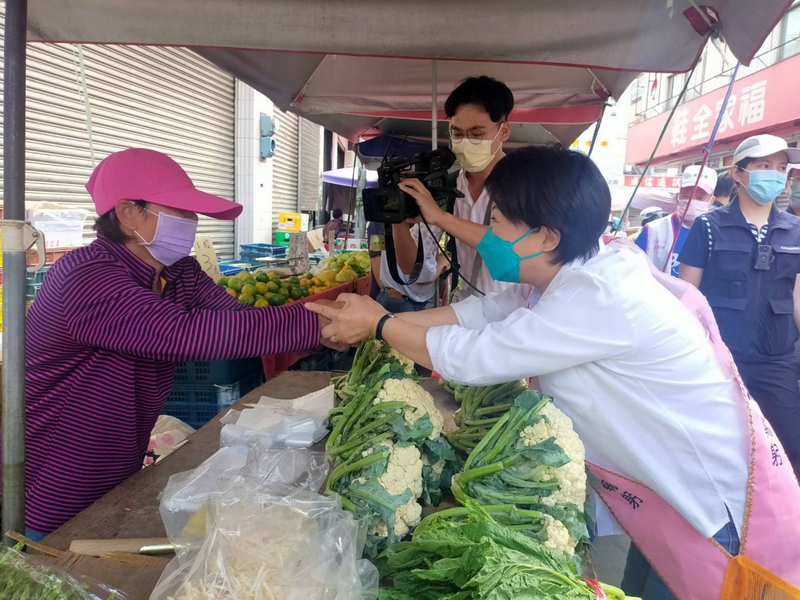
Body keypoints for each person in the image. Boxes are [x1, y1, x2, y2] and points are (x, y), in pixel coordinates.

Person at [310, 145, 800, 599]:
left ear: (545, 235)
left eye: (497, 220)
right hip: (664, 494)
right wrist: (376, 318)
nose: (488, 236)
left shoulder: (600, 296)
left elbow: (475, 356)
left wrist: (377, 325)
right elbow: (480, 315)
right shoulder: (569, 274)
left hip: (719, 510)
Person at [18, 149, 330, 541]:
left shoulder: (177, 272)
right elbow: (188, 332)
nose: (193, 222)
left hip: (121, 461)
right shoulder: (84, 276)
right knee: (67, 568)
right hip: (58, 476)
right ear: (129, 212)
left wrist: (327, 318)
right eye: (181, 210)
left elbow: (235, 320)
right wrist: (322, 325)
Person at [680, 134, 800, 476]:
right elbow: (689, 296)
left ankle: (785, 524)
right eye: (763, 166)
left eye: (781, 168)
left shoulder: (796, 230)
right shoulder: (708, 227)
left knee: (788, 448)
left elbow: (797, 297)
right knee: (721, 452)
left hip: (777, 361)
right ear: (738, 173)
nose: (774, 175)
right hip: (720, 361)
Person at [392, 76, 515, 302]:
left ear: (504, 131)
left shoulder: (526, 185)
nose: (465, 142)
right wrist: (397, 217)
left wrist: (440, 218)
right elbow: (411, 267)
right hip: (466, 313)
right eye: (457, 134)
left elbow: (510, 252)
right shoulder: (445, 187)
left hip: (516, 318)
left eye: (477, 134)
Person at [635, 165, 717, 276]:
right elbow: (635, 269)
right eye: (687, 196)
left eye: (700, 198)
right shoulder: (654, 230)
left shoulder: (717, 233)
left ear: (711, 201)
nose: (692, 201)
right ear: (678, 197)